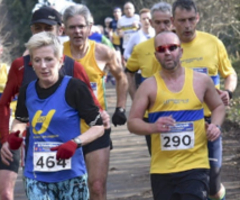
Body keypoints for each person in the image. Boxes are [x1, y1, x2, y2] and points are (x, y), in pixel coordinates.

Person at [0, 6, 108, 200]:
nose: (43, 66)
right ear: (31, 62)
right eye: (37, 61)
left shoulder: (74, 84)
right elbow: (20, 119)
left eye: (49, 60)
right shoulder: (27, 88)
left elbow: (98, 125)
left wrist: (75, 142)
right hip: (36, 174)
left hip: (71, 174)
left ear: (60, 60)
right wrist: (14, 134)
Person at [127, 31, 226, 200]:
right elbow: (132, 122)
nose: (167, 52)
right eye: (161, 49)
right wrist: (153, 127)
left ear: (181, 51)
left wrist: (215, 126)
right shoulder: (148, 86)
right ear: (156, 55)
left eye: (172, 47)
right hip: (162, 169)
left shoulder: (201, 81)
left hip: (195, 164)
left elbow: (218, 106)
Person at [171, 1, 237, 199]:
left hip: (209, 122)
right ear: (173, 21)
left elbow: (230, 73)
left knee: (213, 187)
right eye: (182, 20)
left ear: (198, 18)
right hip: (180, 123)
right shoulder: (167, 47)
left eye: (191, 19)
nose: (188, 25)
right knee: (188, 184)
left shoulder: (213, 43)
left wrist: (228, 91)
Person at [63, 4, 128, 200]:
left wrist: (120, 108)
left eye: (81, 26)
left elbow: (121, 77)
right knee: (69, 187)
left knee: (97, 186)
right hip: (64, 127)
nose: (77, 31)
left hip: (96, 125)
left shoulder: (103, 52)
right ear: (64, 29)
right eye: (72, 27)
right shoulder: (56, 53)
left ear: (90, 28)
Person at [126, 2, 173, 155]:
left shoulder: (181, 47)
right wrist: (136, 98)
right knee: (158, 158)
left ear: (172, 21)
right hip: (152, 114)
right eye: (158, 22)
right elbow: (129, 72)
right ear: (151, 23)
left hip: (181, 109)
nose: (162, 26)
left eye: (166, 22)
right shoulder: (141, 48)